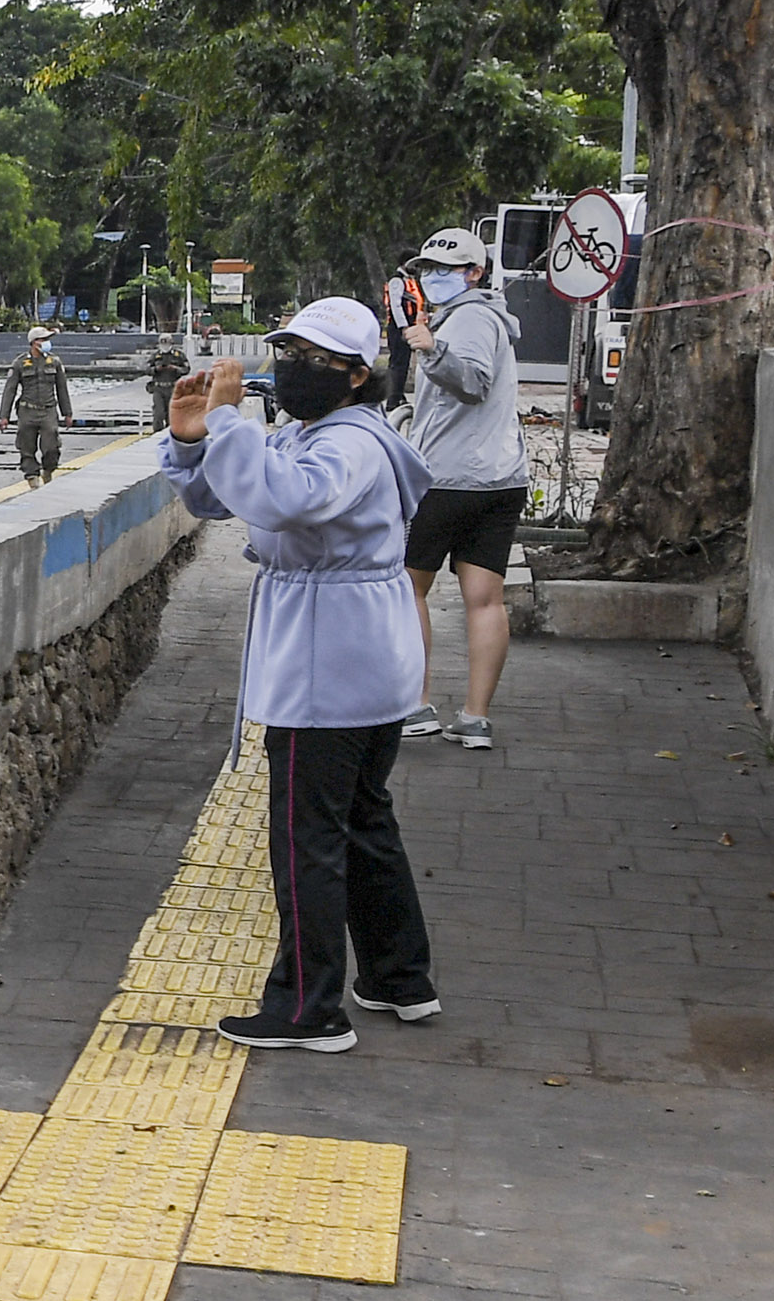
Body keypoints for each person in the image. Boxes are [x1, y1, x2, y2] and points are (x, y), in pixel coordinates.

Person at [161, 298, 440, 1051]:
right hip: (361, 655)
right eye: (288, 352)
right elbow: (227, 495)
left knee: (305, 837)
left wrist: (225, 424)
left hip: (330, 661)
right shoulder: (329, 433)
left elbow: (283, 500)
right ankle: (397, 975)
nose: (292, 370)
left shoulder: (344, 446)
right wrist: (192, 441)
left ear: (357, 375)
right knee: (363, 822)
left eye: (314, 360)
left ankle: (307, 1008)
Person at [391, 226, 525, 752]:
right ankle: (475, 717)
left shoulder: (468, 317)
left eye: (447, 270)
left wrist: (433, 349)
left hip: (449, 479)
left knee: (408, 589)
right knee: (485, 600)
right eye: (428, 269)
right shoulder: (489, 317)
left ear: (475, 273)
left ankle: (415, 704)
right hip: (499, 480)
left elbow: (473, 381)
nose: (434, 278)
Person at [0, 325, 75, 485]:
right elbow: (10, 390)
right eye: (44, 339)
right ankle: (32, 478)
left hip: (48, 410)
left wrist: (67, 413)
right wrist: (4, 416)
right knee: (26, 447)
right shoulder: (20, 363)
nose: (47, 342)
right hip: (27, 411)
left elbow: (62, 388)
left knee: (51, 446)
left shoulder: (54, 362)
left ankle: (48, 470)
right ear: (34, 342)